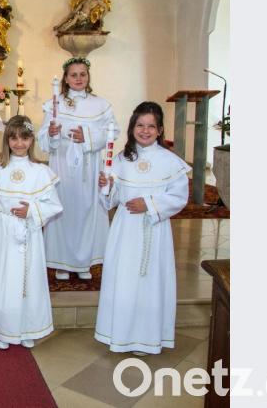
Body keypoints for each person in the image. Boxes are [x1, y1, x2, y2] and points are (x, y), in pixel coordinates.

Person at [95, 102, 190, 355]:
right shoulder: (120, 160)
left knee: (149, 282)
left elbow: (179, 197)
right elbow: (109, 200)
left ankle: (146, 338)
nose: (145, 131)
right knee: (123, 280)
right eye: (140, 126)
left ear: (160, 130)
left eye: (151, 126)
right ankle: (120, 334)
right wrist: (106, 186)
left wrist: (148, 204)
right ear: (132, 128)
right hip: (125, 231)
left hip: (153, 232)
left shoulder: (170, 162)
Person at [0, 116, 63, 350]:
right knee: (2, 279)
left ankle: (26, 327)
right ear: (6, 140)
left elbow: (54, 205)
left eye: (25, 137)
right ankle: (2, 328)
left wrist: (31, 210)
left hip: (28, 231)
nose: (19, 143)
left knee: (27, 281)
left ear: (32, 139)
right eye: (14, 138)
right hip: (3, 231)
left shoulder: (41, 171)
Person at [38, 57, 117, 281]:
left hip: (88, 167)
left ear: (88, 76)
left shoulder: (100, 104)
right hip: (62, 165)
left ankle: (84, 262)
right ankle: (62, 262)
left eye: (83, 74)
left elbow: (113, 131)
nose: (79, 78)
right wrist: (52, 134)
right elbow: (43, 138)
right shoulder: (54, 104)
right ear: (66, 78)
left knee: (86, 209)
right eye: (74, 75)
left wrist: (89, 137)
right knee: (64, 209)